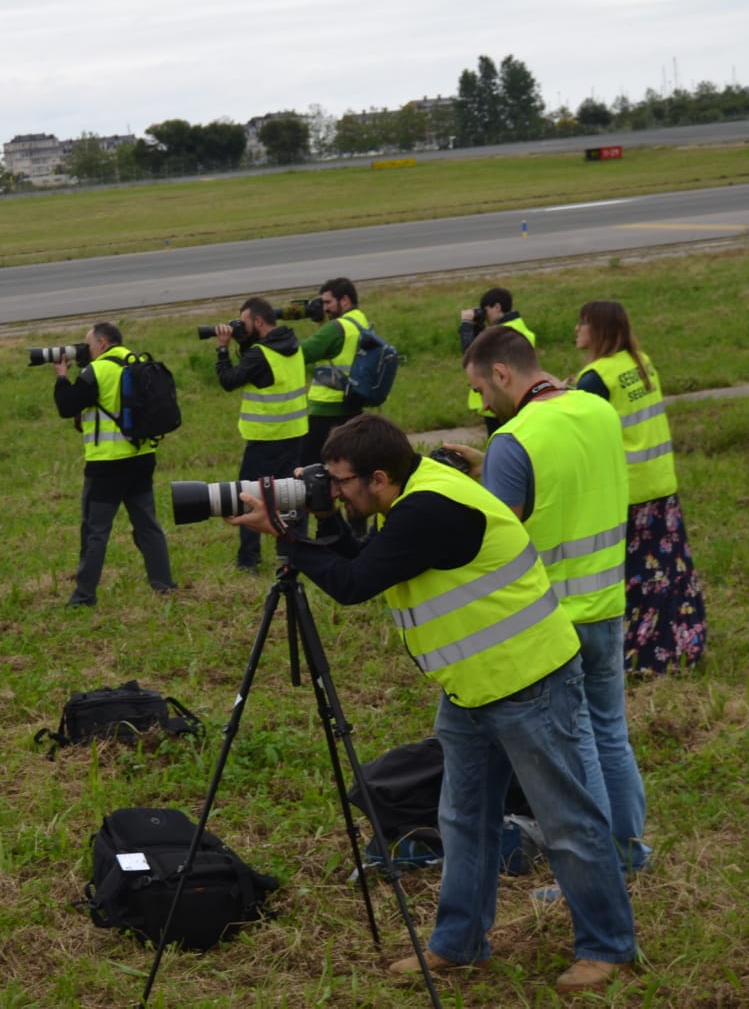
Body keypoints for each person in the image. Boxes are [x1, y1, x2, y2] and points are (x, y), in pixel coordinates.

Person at [227, 414, 637, 995]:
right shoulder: (411, 496)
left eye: (341, 483)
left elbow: (353, 583)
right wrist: (320, 517)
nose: (335, 490)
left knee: (568, 821)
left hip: (528, 682)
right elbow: (367, 559)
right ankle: (460, 943)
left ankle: (608, 948)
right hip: (471, 687)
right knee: (463, 819)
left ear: (378, 476)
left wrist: (286, 535)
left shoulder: (430, 510)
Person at [448, 326, 649, 873]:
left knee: (575, 745)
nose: (484, 402)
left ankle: (597, 869)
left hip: (552, 619)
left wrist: (480, 478)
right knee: (611, 731)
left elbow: (494, 530)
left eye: (482, 390)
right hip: (607, 602)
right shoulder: (596, 411)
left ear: (502, 373)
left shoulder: (516, 438)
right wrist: (491, 467)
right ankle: (629, 850)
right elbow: (565, 479)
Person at [575, 300, 707, 674]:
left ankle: (643, 655)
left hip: (628, 493)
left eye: (582, 324)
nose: (576, 331)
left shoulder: (597, 378)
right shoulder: (641, 362)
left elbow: (579, 430)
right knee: (670, 570)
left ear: (597, 330)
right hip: (661, 484)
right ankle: (682, 644)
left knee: (637, 578)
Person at [52, 322, 177, 606]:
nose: (86, 350)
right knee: (147, 524)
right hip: (142, 458)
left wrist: (61, 376)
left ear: (103, 343)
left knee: (95, 531)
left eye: (89, 344)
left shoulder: (98, 371)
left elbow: (67, 406)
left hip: (106, 465)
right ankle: (164, 583)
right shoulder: (139, 363)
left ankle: (83, 596)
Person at [210, 296, 308, 572]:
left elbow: (228, 380)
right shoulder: (293, 346)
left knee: (248, 496)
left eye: (243, 322)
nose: (240, 326)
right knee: (292, 496)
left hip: (265, 438)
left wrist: (222, 349)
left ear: (259, 321)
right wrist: (243, 340)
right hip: (295, 434)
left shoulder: (260, 354)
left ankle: (248, 559)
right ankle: (291, 553)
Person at [300, 277, 374, 465]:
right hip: (352, 406)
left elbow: (302, 353)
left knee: (308, 468)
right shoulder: (362, 322)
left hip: (326, 411)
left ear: (345, 301)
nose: (324, 308)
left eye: (328, 302)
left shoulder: (336, 328)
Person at [459, 287, 535, 436]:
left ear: (497, 307)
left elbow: (472, 357)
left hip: (496, 398)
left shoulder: (501, 333)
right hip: (517, 396)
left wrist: (466, 325)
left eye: (486, 310)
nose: (485, 315)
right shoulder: (520, 329)